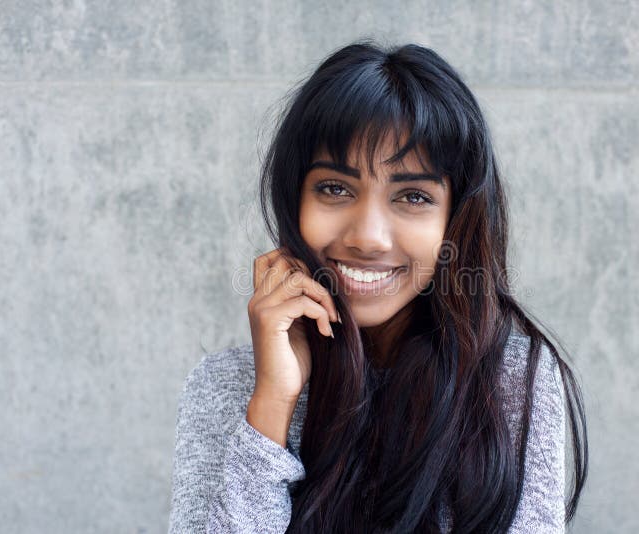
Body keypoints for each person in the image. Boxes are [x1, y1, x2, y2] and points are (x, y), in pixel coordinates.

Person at [169, 40, 588, 533]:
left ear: (455, 221)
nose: (367, 236)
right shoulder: (228, 386)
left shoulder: (511, 382)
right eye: (335, 188)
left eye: (412, 196)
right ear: (293, 199)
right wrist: (272, 406)